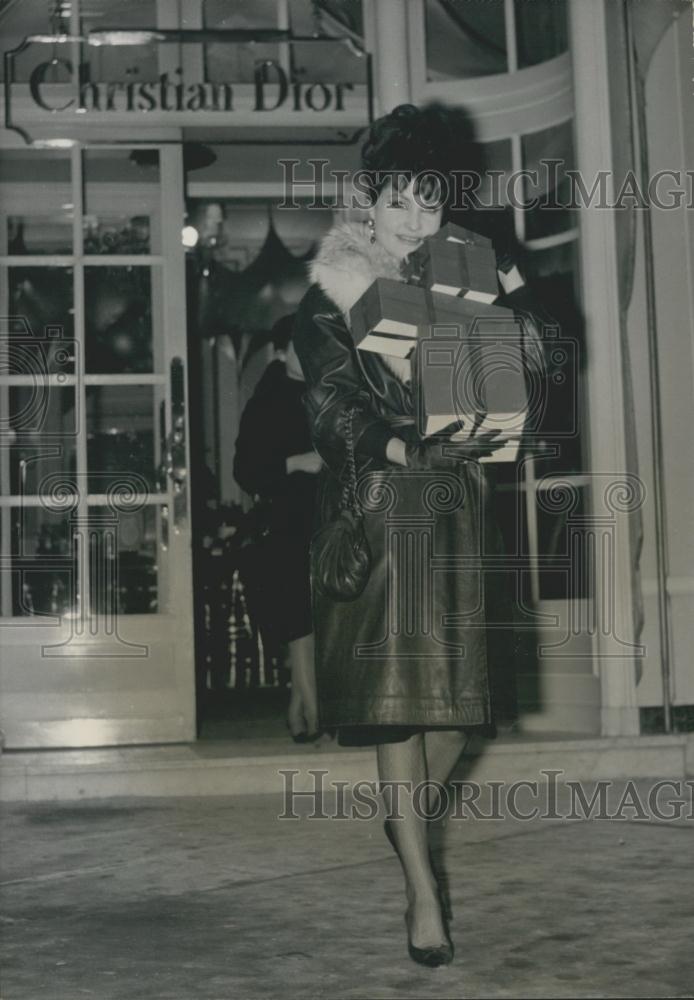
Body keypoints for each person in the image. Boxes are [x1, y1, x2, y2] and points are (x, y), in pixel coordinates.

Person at [292, 103, 542, 967]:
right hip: (384, 502)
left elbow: (532, 361)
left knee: (458, 711)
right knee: (402, 701)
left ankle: (409, 826)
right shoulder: (335, 284)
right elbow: (327, 397)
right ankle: (422, 892)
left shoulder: (470, 271)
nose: (413, 221)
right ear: (370, 199)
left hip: (462, 504)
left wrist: (516, 346)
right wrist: (397, 438)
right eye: (399, 202)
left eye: (429, 206)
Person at [233, 314, 324, 742]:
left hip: (313, 522)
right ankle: (317, 712)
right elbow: (245, 471)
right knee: (301, 625)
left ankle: (298, 710)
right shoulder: (268, 399)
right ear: (285, 351)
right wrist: (297, 462)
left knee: (305, 625)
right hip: (284, 527)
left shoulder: (312, 393)